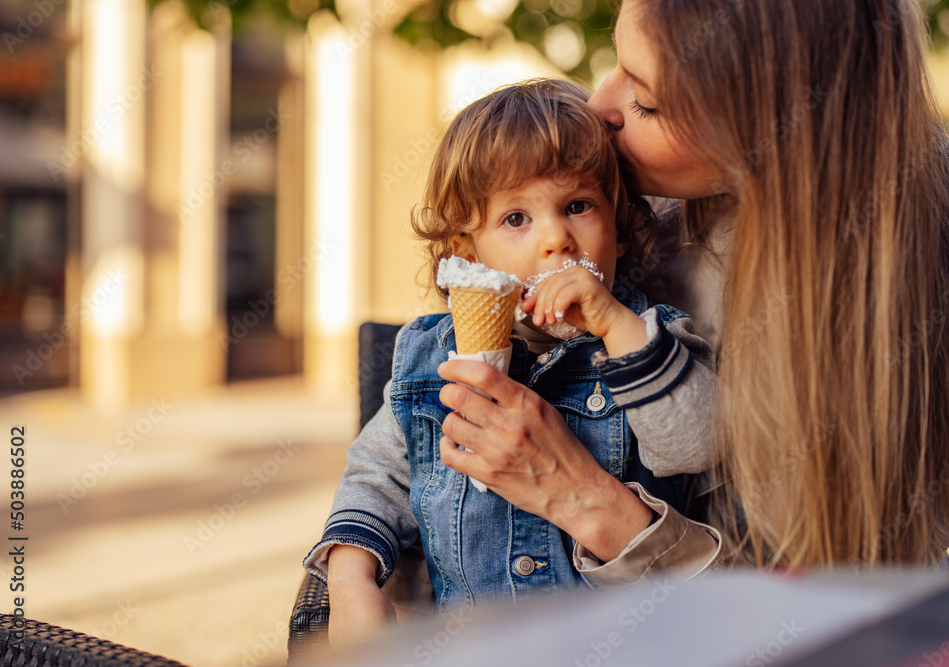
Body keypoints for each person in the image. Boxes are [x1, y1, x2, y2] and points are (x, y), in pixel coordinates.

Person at [436, 0, 949, 573]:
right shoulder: (637, 205)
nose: (599, 104)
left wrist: (587, 503)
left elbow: (814, 609)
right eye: (617, 62)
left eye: (646, 101)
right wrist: (351, 566)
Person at [303, 79, 722, 647]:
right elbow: (375, 477)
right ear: (467, 255)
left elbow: (697, 443)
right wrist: (350, 578)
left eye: (578, 206)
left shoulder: (650, 338)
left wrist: (614, 323)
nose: (557, 239)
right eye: (516, 219)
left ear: (619, 233)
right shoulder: (429, 357)